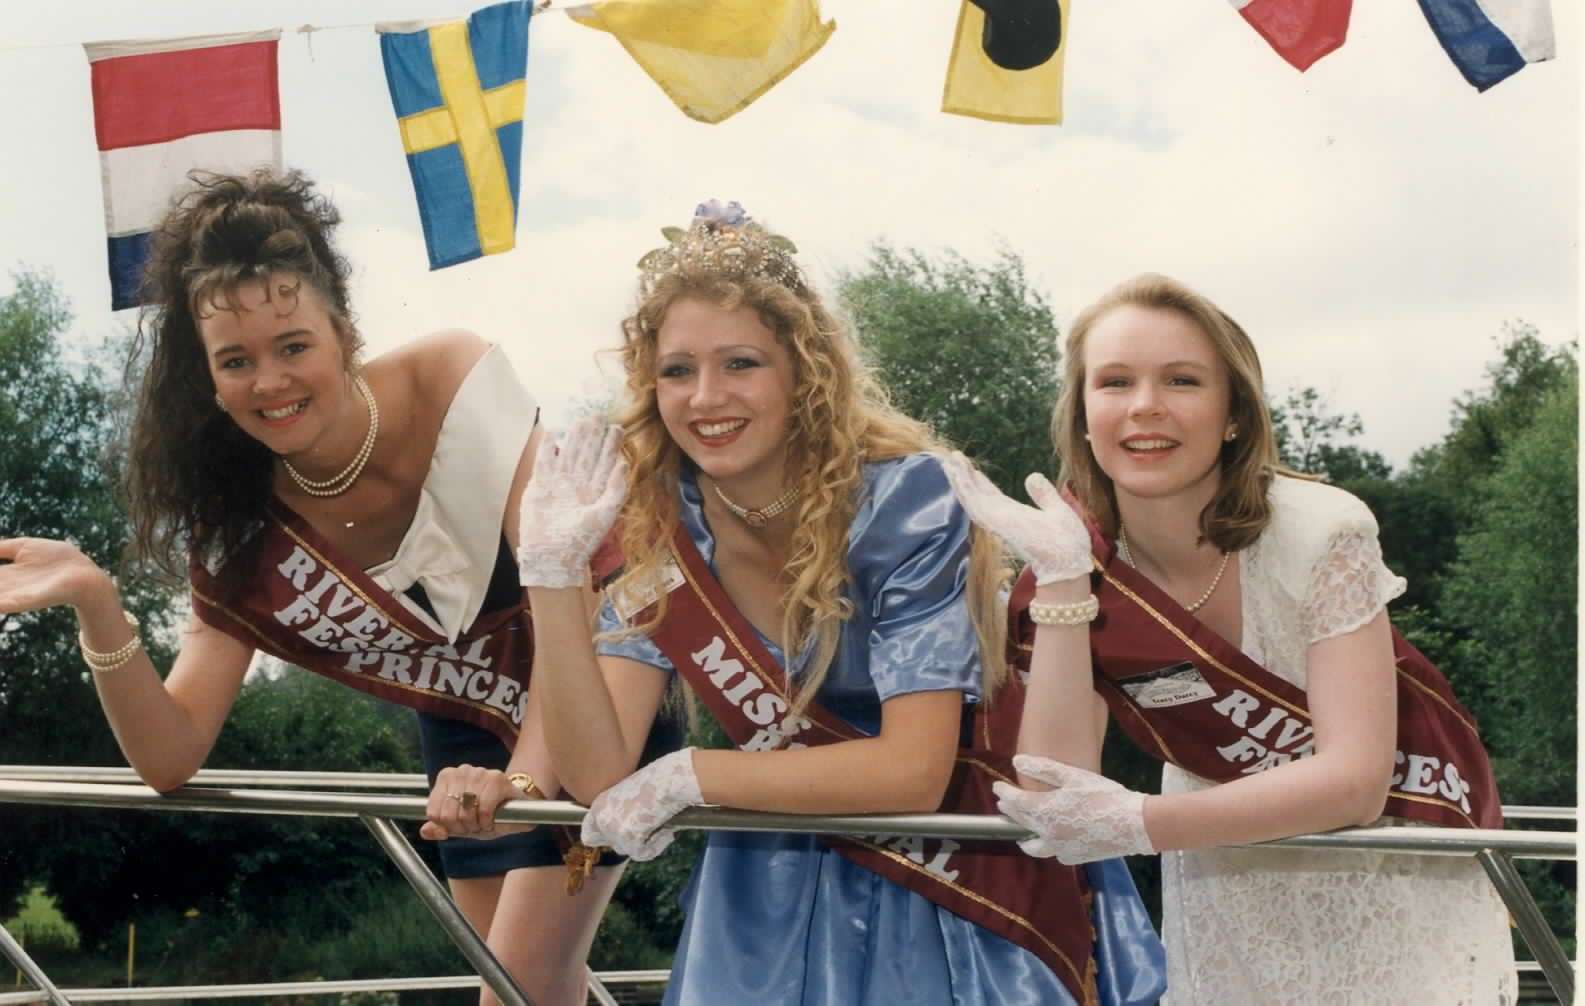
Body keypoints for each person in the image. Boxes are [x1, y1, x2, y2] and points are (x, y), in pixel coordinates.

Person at [0, 169, 656, 1006]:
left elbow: (564, 589)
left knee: (516, 992)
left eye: (294, 346)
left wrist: (521, 787)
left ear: (343, 333)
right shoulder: (237, 519)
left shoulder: (450, 383)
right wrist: (100, 606)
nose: (269, 381)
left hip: (595, 687)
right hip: (464, 732)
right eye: (236, 361)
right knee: (531, 990)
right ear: (208, 378)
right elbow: (169, 758)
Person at [503, 200, 1166, 1005]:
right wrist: (548, 574)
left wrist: (688, 775)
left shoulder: (904, 500)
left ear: (801, 371)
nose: (705, 397)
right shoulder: (656, 522)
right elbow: (597, 771)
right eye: (677, 370)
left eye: (740, 363)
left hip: (955, 885)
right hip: (762, 893)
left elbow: (913, 771)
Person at [941, 272, 1517, 1005]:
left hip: (1386, 869)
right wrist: (1061, 583)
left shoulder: (1321, 530)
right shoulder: (1072, 558)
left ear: (1233, 414)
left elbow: (1354, 780)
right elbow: (1051, 789)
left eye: (1181, 380)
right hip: (1223, 882)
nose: (1145, 406)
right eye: (1114, 382)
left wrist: (1141, 821)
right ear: (1084, 413)